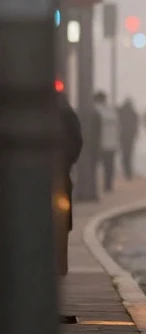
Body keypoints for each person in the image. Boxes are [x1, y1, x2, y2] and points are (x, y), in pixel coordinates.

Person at [56, 91, 82, 292]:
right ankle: (60, 266)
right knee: (61, 225)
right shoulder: (67, 113)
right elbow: (77, 142)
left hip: (55, 174)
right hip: (61, 174)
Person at [92, 91, 120, 192]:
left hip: (98, 144)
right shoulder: (111, 111)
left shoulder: (94, 111)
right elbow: (118, 129)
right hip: (111, 144)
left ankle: (93, 188)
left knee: (93, 167)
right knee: (109, 168)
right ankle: (108, 186)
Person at [118, 97, 139, 180]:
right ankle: (128, 172)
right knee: (129, 155)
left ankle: (126, 171)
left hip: (123, 136)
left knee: (124, 155)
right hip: (130, 136)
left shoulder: (121, 112)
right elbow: (136, 125)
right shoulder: (133, 113)